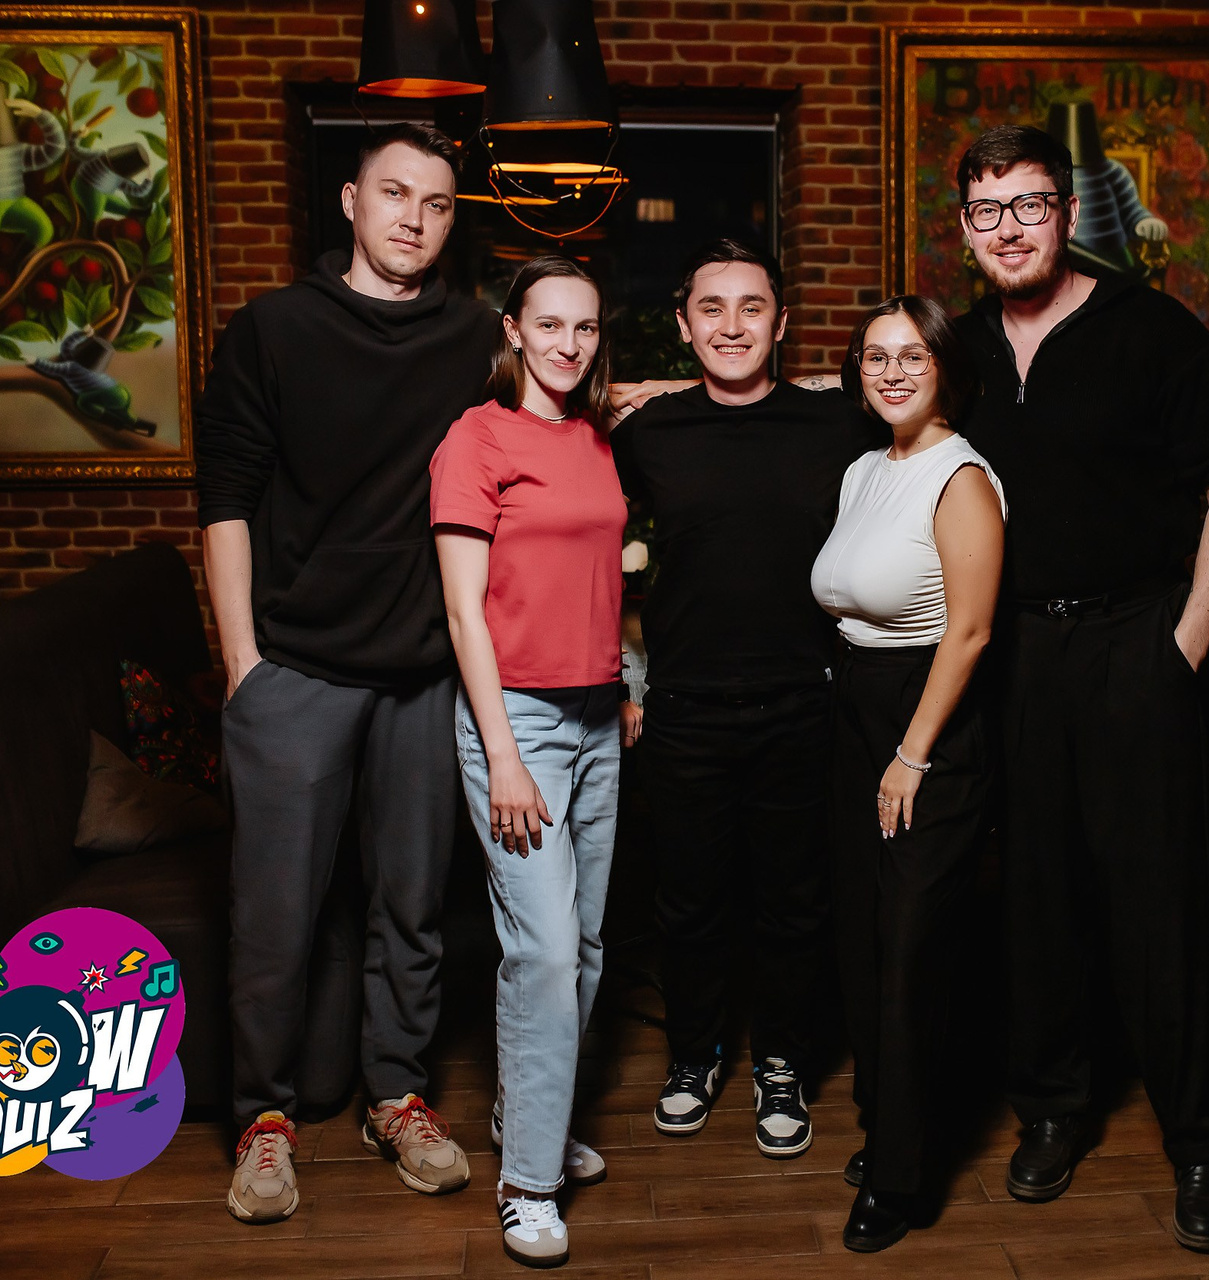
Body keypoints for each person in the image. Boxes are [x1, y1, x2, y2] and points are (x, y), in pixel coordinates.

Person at [949, 124, 1209, 1254]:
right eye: (988, 211)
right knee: (1035, 899)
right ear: (966, 229)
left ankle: (1202, 1143)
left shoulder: (1151, 329)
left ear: (1068, 214)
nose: (1010, 229)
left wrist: (1184, 646)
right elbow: (856, 402)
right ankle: (1052, 1110)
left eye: (1030, 204)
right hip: (1016, 652)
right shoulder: (958, 348)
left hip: (1137, 637)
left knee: (1159, 904)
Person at [197, 122, 494, 1225]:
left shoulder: (476, 337)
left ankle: (396, 1096)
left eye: (438, 203)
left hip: (422, 675)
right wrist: (242, 662)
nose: (415, 217)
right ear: (351, 202)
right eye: (395, 193)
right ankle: (264, 1120)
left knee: (412, 906)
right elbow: (226, 497)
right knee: (275, 914)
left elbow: (573, 396)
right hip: (295, 669)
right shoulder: (274, 327)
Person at [611, 239, 879, 1160]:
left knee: (793, 904)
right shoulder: (649, 432)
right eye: (712, 308)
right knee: (689, 903)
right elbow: (581, 537)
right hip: (684, 706)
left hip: (805, 702)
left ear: (782, 321)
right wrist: (619, 671)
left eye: (752, 307)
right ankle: (694, 1057)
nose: (732, 326)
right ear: (684, 324)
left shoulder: (836, 424)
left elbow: (921, 422)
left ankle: (783, 1063)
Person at [431, 255, 627, 1269]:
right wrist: (503, 754)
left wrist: (624, 678)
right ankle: (528, 1184)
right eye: (548, 324)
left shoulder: (593, 434)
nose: (568, 344)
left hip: (599, 715)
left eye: (585, 327)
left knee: (584, 947)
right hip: (519, 724)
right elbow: (466, 610)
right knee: (542, 950)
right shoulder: (476, 437)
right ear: (512, 330)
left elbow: (597, 575)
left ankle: (532, 1116)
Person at [810, 296, 1005, 1251]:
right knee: (863, 935)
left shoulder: (960, 476)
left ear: (947, 370)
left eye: (912, 356)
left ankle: (902, 1179)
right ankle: (892, 1126)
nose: (891, 372)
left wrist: (913, 752)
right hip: (856, 710)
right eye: (875, 357)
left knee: (911, 947)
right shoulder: (863, 469)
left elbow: (970, 631)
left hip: (928, 722)